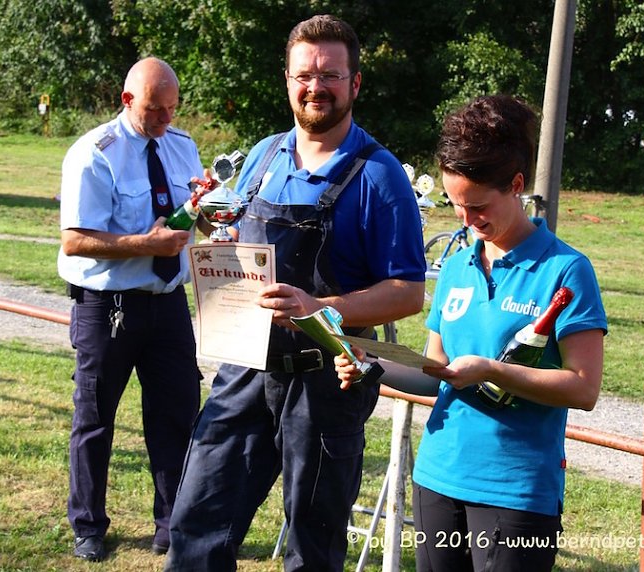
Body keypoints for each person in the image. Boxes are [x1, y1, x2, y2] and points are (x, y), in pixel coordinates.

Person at [165, 15, 426, 571]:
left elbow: (408, 292)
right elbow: (233, 237)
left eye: (331, 75)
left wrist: (321, 308)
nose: (316, 87)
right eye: (305, 74)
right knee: (198, 526)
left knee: (312, 545)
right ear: (287, 79)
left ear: (354, 84)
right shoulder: (261, 156)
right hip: (245, 368)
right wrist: (219, 242)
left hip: (326, 381)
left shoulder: (380, 177)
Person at [336, 94, 607, 571]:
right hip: (438, 477)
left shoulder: (566, 270)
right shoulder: (459, 266)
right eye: (455, 204)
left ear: (517, 185)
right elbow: (434, 372)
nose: (466, 220)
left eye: (478, 205)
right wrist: (371, 366)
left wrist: (492, 371)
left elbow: (583, 388)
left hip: (516, 491)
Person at [57, 57, 208, 562]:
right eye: (154, 109)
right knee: (96, 419)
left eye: (172, 108)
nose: (165, 119)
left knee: (178, 416)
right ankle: (88, 525)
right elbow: (75, 240)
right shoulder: (94, 153)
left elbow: (198, 214)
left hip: (168, 307)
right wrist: (148, 244)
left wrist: (216, 221)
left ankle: (172, 525)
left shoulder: (182, 146)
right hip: (108, 308)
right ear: (127, 101)